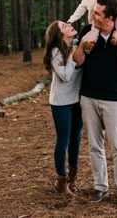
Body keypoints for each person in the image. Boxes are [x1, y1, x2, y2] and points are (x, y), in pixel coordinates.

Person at [73, 0, 117, 207]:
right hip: (89, 98)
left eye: (97, 13)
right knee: (95, 146)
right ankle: (100, 187)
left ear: (110, 18)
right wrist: (84, 41)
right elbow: (77, 61)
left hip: (114, 101)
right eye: (93, 12)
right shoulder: (87, 31)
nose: (92, 15)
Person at [43, 21, 83, 199]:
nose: (69, 24)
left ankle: (73, 178)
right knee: (63, 140)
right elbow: (66, 76)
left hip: (77, 100)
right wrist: (73, 53)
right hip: (61, 103)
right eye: (64, 25)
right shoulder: (55, 52)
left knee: (76, 138)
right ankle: (62, 182)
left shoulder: (78, 45)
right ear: (60, 34)